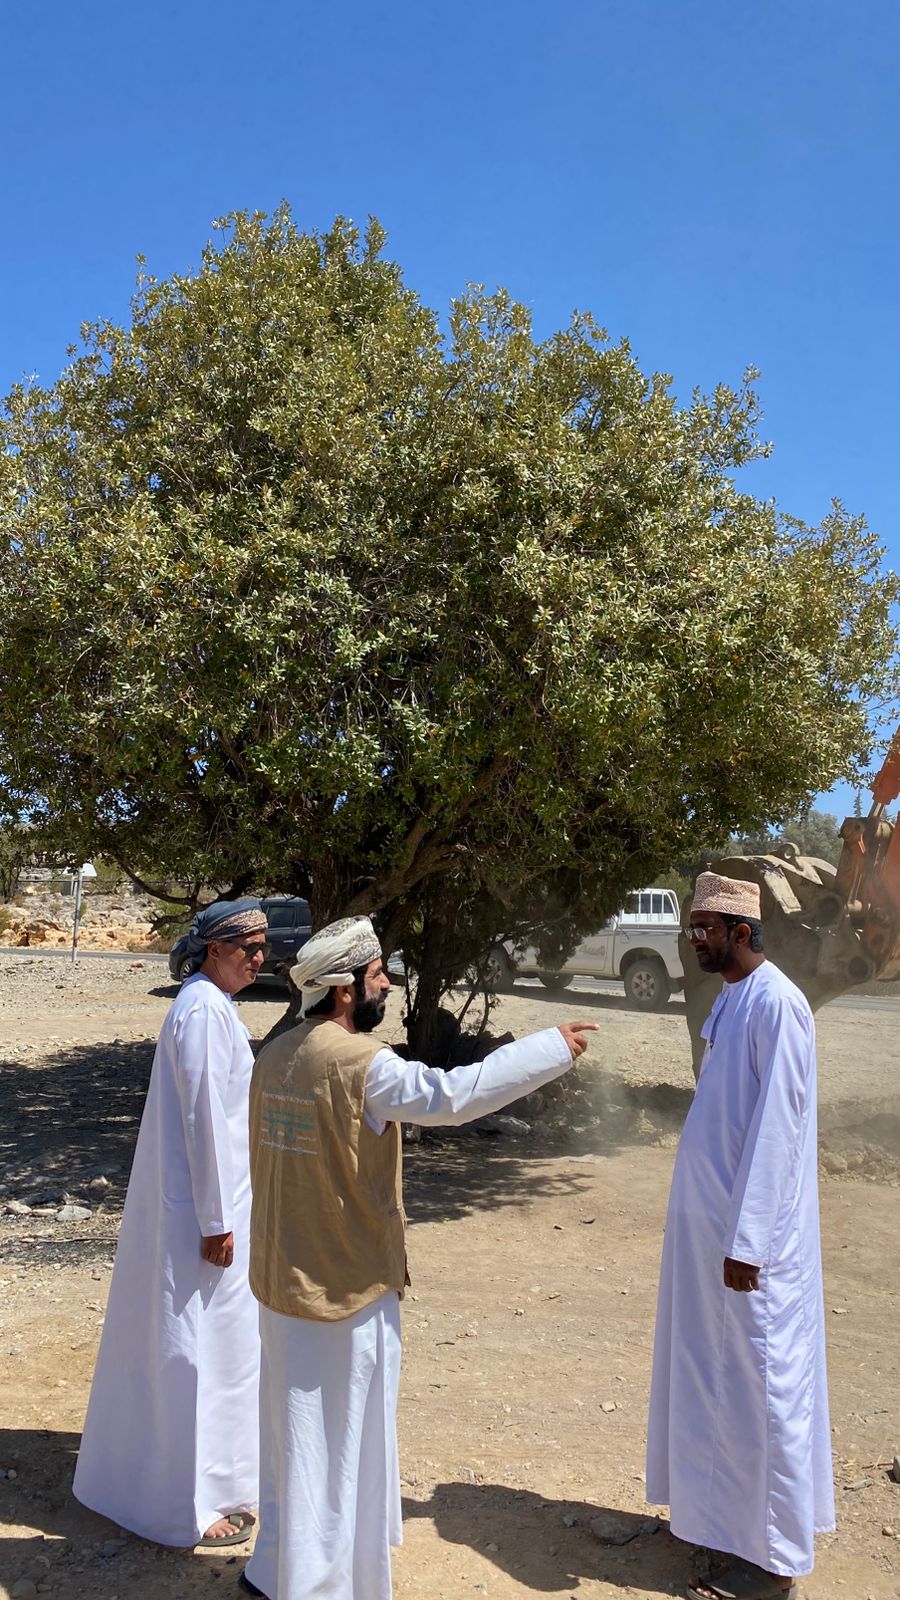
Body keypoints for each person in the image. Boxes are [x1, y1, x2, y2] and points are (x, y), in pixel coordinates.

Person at [240, 915, 596, 1600]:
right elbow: (451, 1098)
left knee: (290, 1442)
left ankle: (275, 1570)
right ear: (344, 989)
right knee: (335, 1445)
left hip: (281, 1281)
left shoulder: (276, 1053)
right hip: (342, 1289)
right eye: (377, 977)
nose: (387, 988)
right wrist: (550, 1048)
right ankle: (317, 1586)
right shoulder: (361, 1064)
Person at [646, 873, 834, 1600]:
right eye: (691, 928)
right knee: (712, 1379)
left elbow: (779, 1132)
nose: (694, 940)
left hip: (751, 1247)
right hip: (711, 1237)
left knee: (763, 1387)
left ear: (742, 931)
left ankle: (774, 1561)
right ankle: (725, 1527)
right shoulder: (730, 997)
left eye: (705, 929)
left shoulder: (779, 1004)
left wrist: (748, 1242)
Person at [74, 898, 269, 1548]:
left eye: (264, 947)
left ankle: (208, 1481)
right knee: (198, 1349)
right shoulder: (204, 1010)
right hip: (204, 1218)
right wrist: (216, 1222)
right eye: (249, 947)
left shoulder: (210, 1005)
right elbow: (204, 1120)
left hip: (213, 1207)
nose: (259, 959)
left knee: (216, 1347)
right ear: (215, 948)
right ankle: (192, 1502)